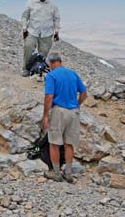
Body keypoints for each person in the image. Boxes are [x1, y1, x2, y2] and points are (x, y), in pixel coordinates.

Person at [42, 53, 87, 183]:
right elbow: (84, 93)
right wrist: (77, 105)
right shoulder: (73, 73)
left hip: (59, 111)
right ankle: (68, 172)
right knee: (69, 144)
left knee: (54, 142)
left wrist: (45, 116)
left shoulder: (51, 75)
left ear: (51, 63)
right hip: (73, 112)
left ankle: (56, 173)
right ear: (60, 61)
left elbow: (49, 96)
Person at [21, 0, 60, 77]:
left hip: (47, 34)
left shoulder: (52, 5)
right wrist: (24, 28)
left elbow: (56, 18)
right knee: (28, 47)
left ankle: (38, 69)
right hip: (32, 31)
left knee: (43, 53)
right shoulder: (31, 2)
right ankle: (26, 69)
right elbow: (25, 16)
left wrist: (56, 32)